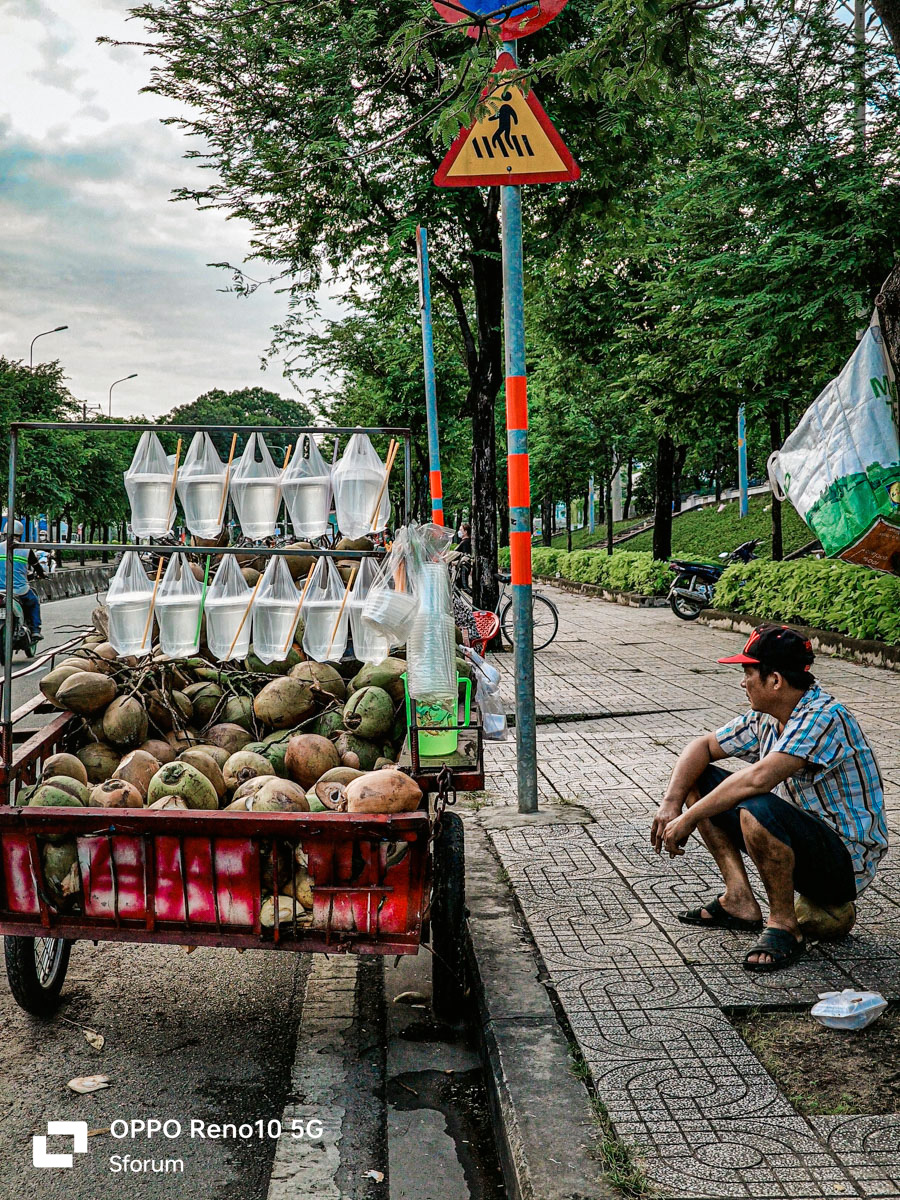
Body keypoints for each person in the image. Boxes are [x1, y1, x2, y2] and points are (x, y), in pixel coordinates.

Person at [650, 624, 887, 973]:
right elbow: (700, 746)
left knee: (756, 805)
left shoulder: (822, 717)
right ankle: (738, 900)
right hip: (800, 836)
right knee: (697, 778)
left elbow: (759, 779)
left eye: (748, 673)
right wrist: (671, 803)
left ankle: (784, 926)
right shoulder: (767, 716)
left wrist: (687, 819)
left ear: (775, 680)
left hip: (845, 862)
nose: (742, 683)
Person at [0, 520, 45, 638]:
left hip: (0, 591)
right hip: (20, 590)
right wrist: (42, 574)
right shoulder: (26, 549)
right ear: (20, 535)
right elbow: (37, 567)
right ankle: (35, 630)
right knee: (34, 602)